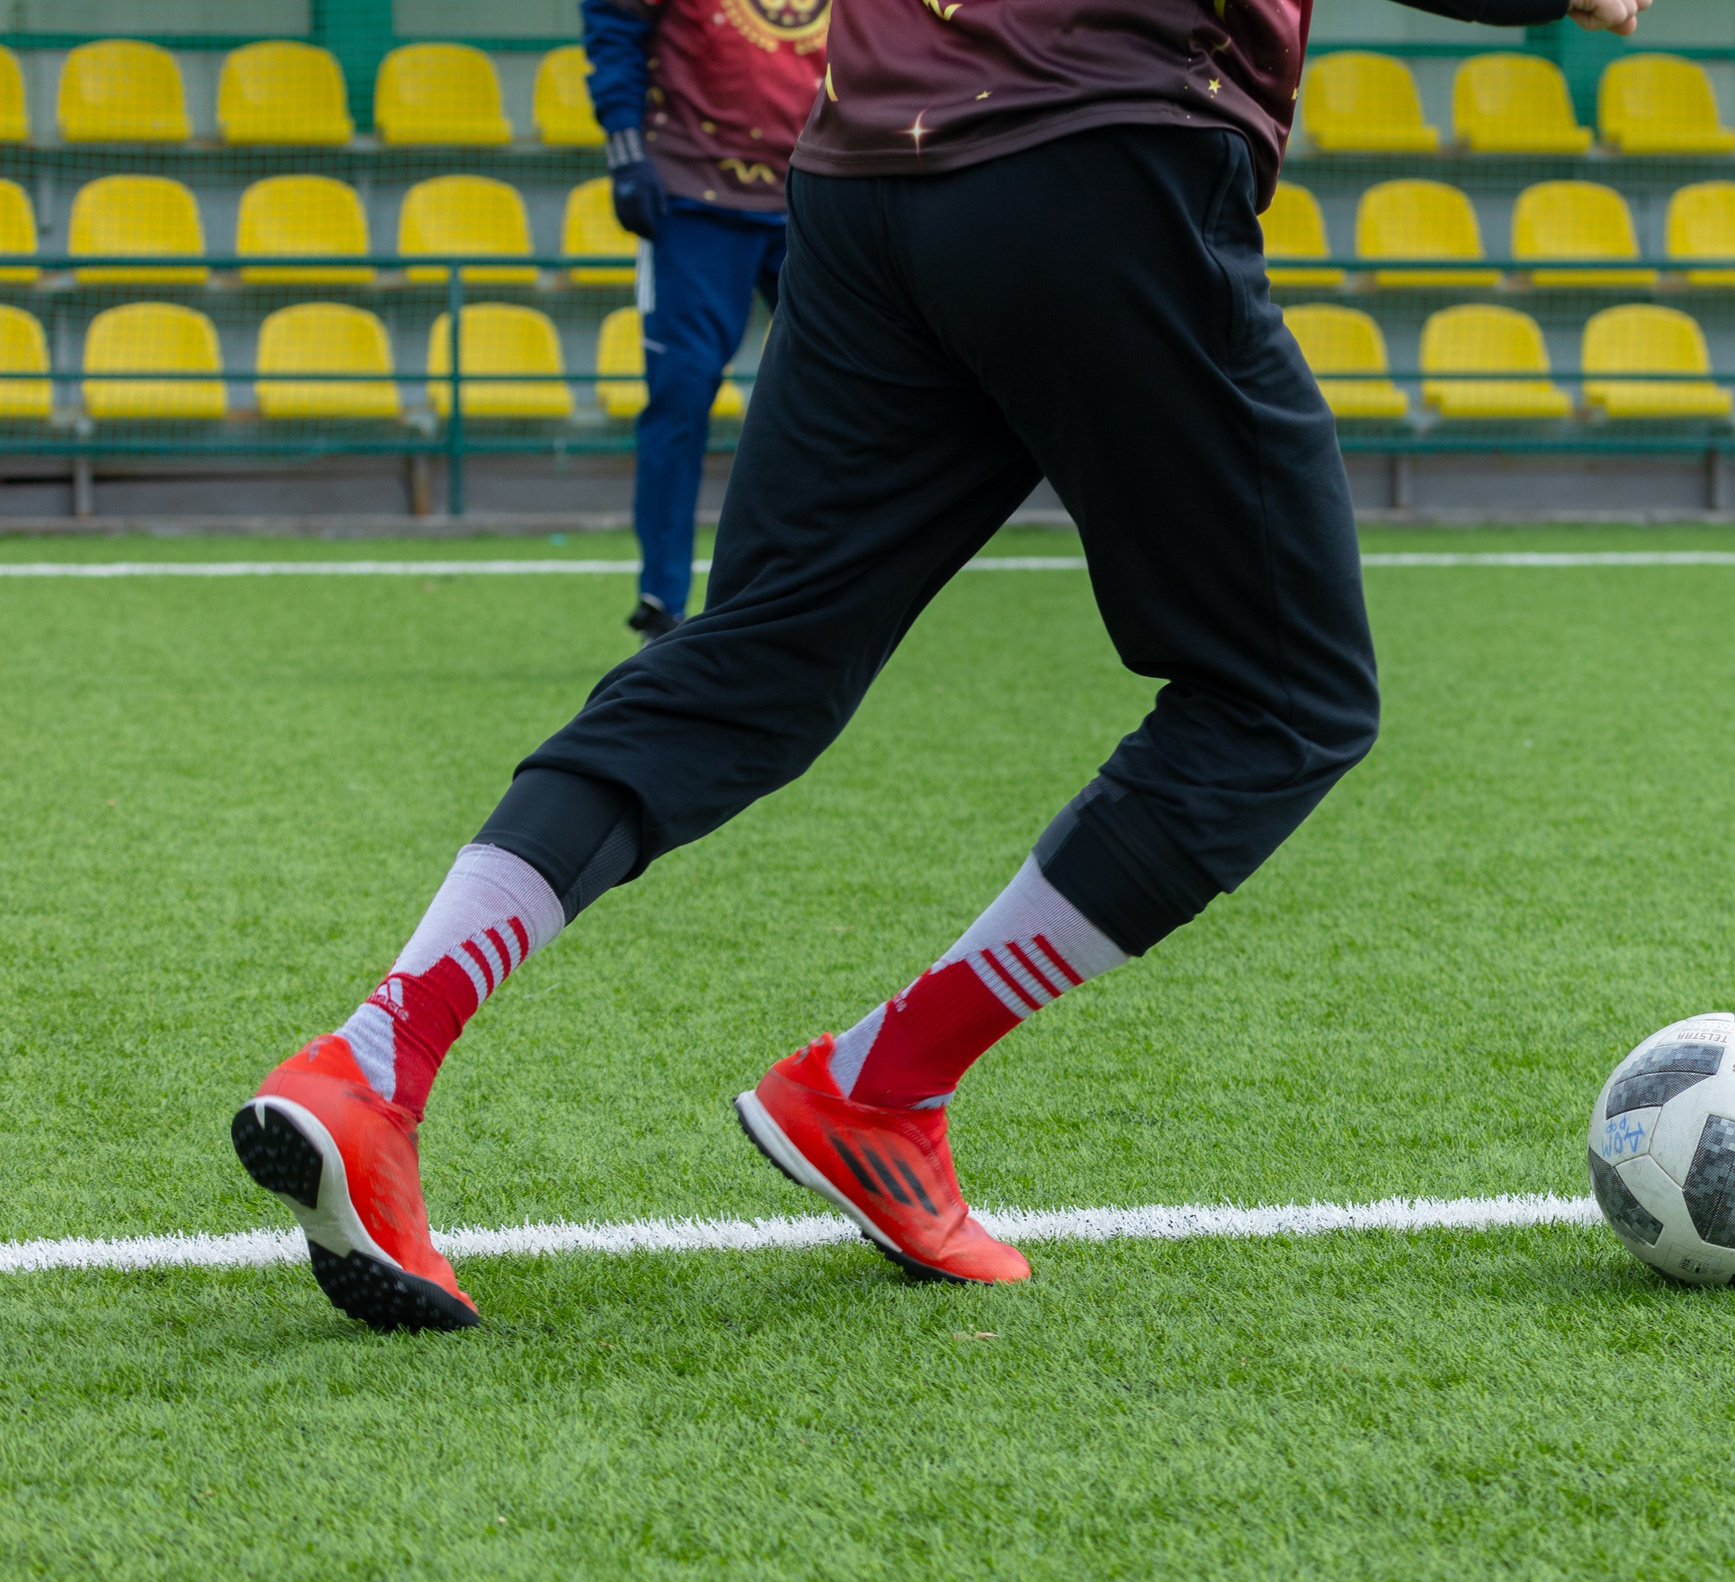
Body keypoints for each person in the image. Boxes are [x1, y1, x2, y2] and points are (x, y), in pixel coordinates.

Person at [231, 0, 1656, 1331]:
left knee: (754, 657)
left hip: (869, 164)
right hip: (1099, 145)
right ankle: (882, 1083)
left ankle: (377, 1055)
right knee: (1286, 696)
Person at [580, 0, 827, 642]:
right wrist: (625, 150)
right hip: (693, 198)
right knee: (681, 398)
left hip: (821, 191)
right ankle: (663, 602)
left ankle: (825, 597)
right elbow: (614, 25)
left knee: (844, 404)